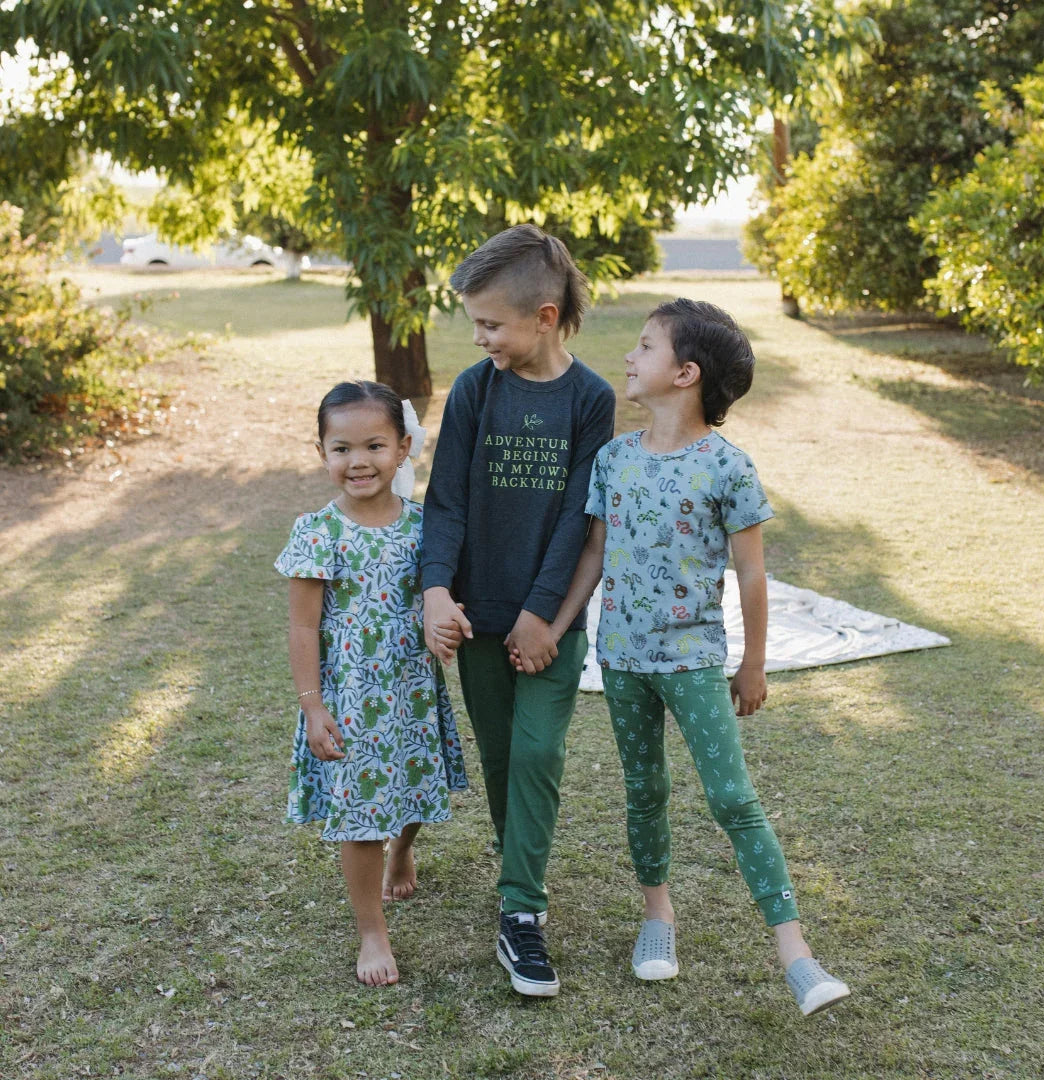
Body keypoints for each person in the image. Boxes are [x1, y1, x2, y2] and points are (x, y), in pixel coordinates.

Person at [530, 299, 851, 1016]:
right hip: (621, 659)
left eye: (644, 347)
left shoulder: (727, 468)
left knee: (733, 799)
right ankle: (657, 918)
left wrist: (755, 663)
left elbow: (752, 574)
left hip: (694, 663)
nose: (628, 358)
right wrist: (557, 624)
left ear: (685, 373)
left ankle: (796, 955)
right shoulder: (613, 459)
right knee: (643, 790)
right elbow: (594, 553)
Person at [421, 224, 616, 997]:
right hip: (476, 619)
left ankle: (522, 914)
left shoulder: (592, 400)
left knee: (540, 754)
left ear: (543, 315)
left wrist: (544, 617)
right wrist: (437, 590)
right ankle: (520, 887)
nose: (480, 339)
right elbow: (446, 502)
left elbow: (579, 515)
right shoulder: (477, 389)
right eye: (474, 324)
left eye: (491, 325)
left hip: (551, 624)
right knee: (502, 760)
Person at [275, 380, 467, 987]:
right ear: (321, 452)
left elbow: (439, 597)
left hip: (411, 693)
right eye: (342, 448)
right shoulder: (317, 531)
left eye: (375, 446)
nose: (358, 461)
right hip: (350, 702)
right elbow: (303, 627)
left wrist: (447, 629)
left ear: (404, 447)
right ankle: (371, 932)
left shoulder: (426, 526)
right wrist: (313, 708)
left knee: (415, 789)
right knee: (361, 820)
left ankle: (404, 847)